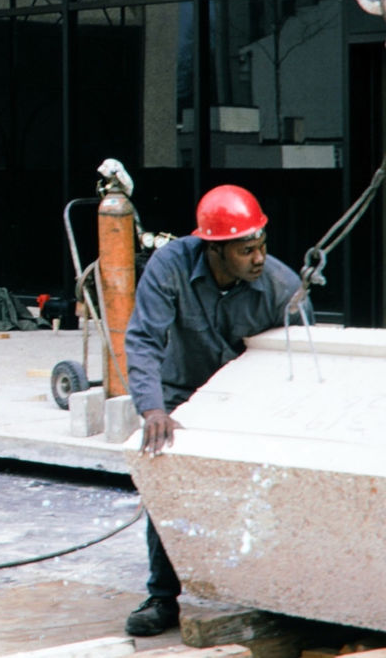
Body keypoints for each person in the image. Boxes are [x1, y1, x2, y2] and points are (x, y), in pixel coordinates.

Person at [121, 183, 308, 636]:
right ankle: (162, 597)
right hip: (181, 388)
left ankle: (279, 595)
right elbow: (143, 340)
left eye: (262, 245)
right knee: (165, 476)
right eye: (246, 250)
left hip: (248, 395)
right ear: (214, 249)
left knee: (269, 486)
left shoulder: (280, 287)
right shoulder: (169, 267)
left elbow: (302, 362)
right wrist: (151, 410)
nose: (258, 258)